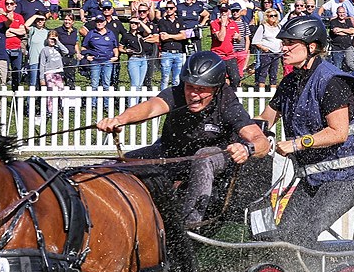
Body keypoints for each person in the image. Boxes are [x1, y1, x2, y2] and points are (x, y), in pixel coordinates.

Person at [96, 51, 270, 229]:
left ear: (216, 88)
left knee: (203, 157)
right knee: (114, 165)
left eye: (201, 89)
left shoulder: (227, 103)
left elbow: (260, 140)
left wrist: (247, 149)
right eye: (190, 87)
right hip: (173, 152)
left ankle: (189, 227)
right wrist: (120, 119)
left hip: (215, 158)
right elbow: (150, 108)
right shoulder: (176, 94)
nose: (194, 94)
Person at [256, 15, 354, 247]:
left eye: (290, 43)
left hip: (349, 177)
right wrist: (243, 132)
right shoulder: (290, 82)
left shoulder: (332, 81)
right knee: (284, 237)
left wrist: (295, 144)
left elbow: (337, 132)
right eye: (283, 43)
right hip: (315, 176)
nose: (284, 48)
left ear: (311, 47)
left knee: (303, 234)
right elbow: (266, 119)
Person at [81, 14, 119, 109]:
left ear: (105, 22)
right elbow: (83, 47)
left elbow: (115, 47)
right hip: (95, 61)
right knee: (94, 84)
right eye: (97, 22)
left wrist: (116, 56)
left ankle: (106, 105)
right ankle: (93, 105)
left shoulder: (110, 33)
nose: (99, 23)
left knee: (106, 83)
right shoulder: (91, 33)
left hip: (107, 61)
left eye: (101, 21)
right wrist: (87, 56)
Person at [209, 4, 245, 85]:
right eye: (222, 11)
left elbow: (239, 40)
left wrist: (238, 37)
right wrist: (223, 24)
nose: (224, 13)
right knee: (219, 79)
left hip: (230, 55)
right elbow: (220, 38)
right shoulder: (214, 23)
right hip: (218, 55)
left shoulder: (233, 23)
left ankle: (232, 94)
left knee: (236, 78)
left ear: (229, 12)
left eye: (225, 11)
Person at [154, 0, 186, 89]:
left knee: (177, 79)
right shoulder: (162, 21)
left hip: (178, 53)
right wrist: (176, 36)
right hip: (166, 53)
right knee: (165, 78)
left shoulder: (179, 20)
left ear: (175, 9)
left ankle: (175, 100)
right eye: (167, 8)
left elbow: (183, 36)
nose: (169, 10)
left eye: (171, 8)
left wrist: (169, 36)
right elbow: (163, 37)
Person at [38, 30, 70, 113]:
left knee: (61, 91)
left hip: (58, 72)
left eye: (54, 38)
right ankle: (51, 110)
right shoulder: (44, 50)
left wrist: (58, 42)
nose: (52, 40)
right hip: (49, 73)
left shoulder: (58, 48)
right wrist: (42, 78)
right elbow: (42, 64)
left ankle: (61, 109)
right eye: (50, 38)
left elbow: (66, 51)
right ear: (47, 39)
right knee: (51, 92)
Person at [120, 16, 153, 97]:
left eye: (135, 23)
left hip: (143, 59)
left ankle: (137, 104)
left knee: (140, 85)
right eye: (131, 23)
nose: (133, 24)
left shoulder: (140, 34)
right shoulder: (126, 35)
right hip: (134, 59)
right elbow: (120, 47)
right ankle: (132, 103)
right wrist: (125, 51)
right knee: (135, 84)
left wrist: (140, 22)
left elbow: (149, 31)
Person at [251, 9, 283, 90]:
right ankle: (261, 92)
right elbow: (255, 41)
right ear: (267, 17)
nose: (273, 17)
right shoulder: (263, 27)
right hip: (267, 53)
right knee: (263, 72)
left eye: (275, 15)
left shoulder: (279, 27)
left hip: (277, 53)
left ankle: (272, 93)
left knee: (274, 73)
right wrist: (264, 48)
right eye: (271, 16)